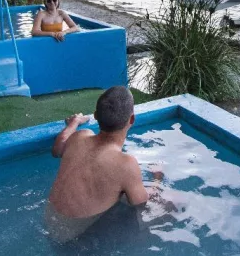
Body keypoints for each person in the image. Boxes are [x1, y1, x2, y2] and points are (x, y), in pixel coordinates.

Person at [45, 86, 160, 243]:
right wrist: (158, 178)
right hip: (74, 240)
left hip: (48, 222)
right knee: (173, 202)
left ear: (95, 116)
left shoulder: (79, 136)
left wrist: (74, 123)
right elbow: (142, 204)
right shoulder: (125, 164)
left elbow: (57, 150)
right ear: (132, 119)